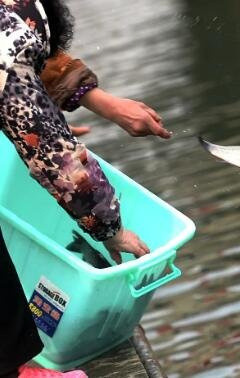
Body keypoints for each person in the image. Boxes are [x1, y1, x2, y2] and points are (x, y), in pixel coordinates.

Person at [0, 1, 171, 377]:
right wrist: (112, 230)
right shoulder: (8, 37)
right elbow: (57, 159)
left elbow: (22, 71)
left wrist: (33, 112)